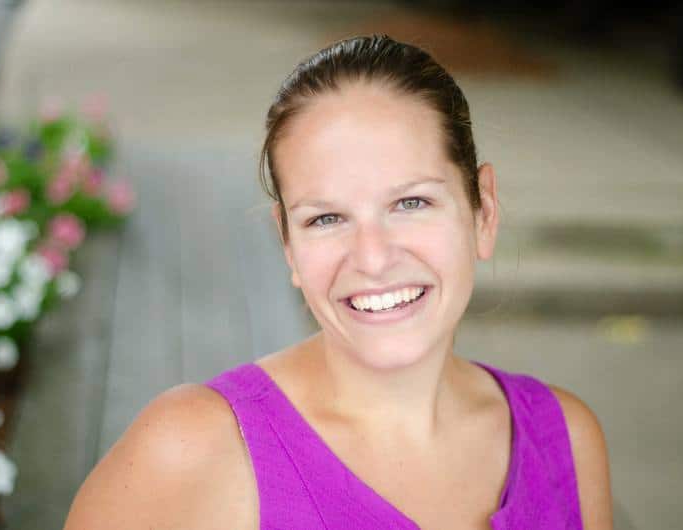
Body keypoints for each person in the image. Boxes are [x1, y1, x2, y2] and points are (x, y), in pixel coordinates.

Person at [64, 35, 613, 529]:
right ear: (289, 245)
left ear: (483, 212)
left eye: (411, 202)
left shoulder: (564, 440)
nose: (372, 258)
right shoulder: (193, 449)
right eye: (325, 218)